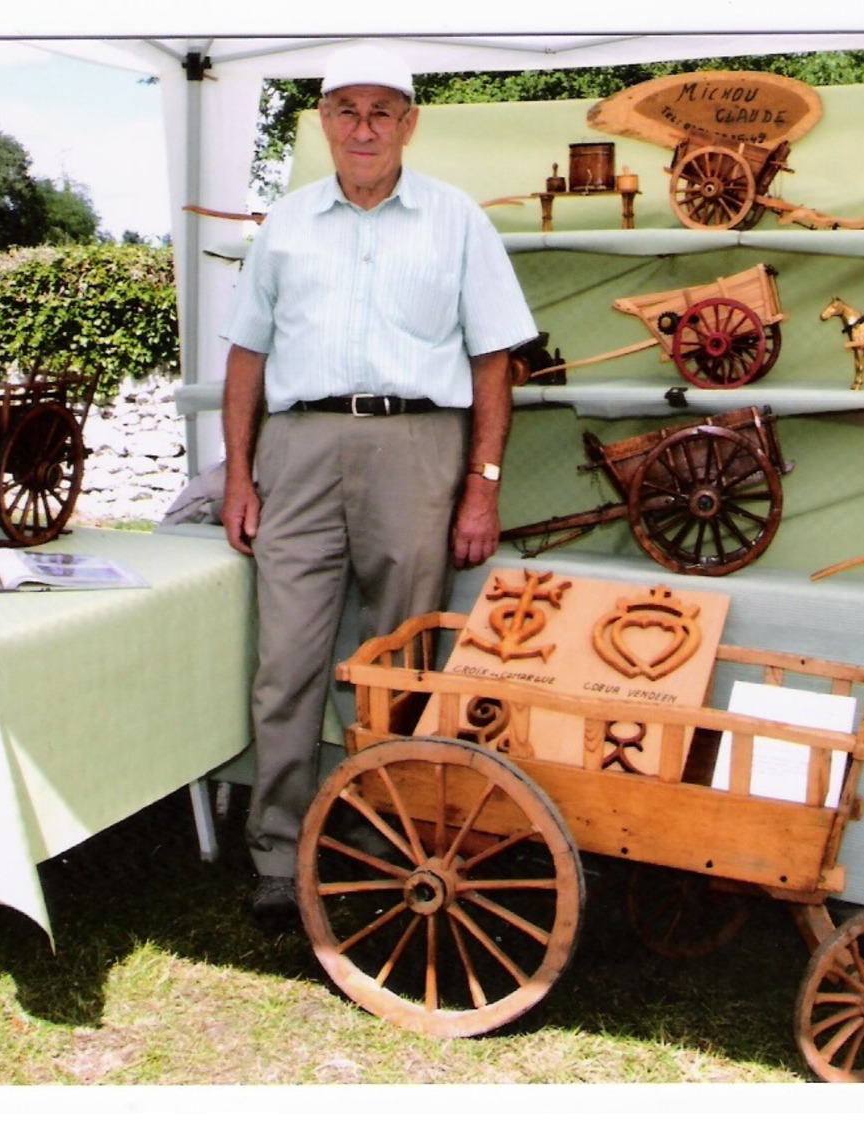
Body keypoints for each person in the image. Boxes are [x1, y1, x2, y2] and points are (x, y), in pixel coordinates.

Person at [218, 41, 537, 931]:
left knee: (400, 664)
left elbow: (493, 357)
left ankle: (388, 845)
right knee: (285, 665)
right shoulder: (285, 224)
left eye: (381, 112)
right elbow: (246, 355)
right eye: (345, 111)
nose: (363, 128)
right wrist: (239, 475)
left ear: (409, 124)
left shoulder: (456, 219)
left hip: (416, 449)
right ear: (321, 123)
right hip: (299, 451)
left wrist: (482, 483)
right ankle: (280, 855)